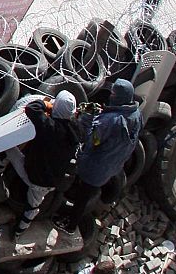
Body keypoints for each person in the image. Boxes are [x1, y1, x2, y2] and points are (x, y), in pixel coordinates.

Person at [58, 78, 140, 231]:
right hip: (114, 164)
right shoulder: (135, 113)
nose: (111, 96)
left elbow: (92, 141)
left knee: (82, 199)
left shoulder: (110, 121)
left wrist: (89, 118)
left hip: (95, 167)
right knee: (87, 192)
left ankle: (70, 226)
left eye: (114, 94)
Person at [7, 91, 81, 233]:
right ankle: (22, 227)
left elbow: (31, 108)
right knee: (36, 199)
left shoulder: (48, 127)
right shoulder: (77, 130)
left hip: (36, 179)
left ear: (56, 107)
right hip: (56, 180)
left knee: (9, 148)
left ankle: (20, 230)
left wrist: (47, 104)